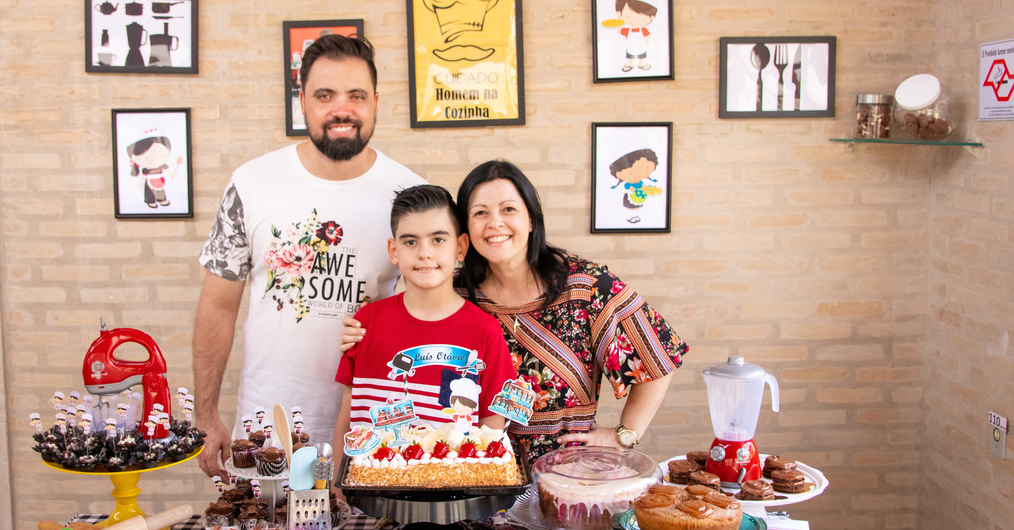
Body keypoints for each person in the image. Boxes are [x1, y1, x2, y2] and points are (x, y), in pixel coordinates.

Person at [343, 159, 687, 462]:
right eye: (480, 213)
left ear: (531, 219)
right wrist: (360, 334)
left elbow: (657, 354)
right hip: (479, 476)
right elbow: (407, 332)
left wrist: (624, 433)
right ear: (465, 232)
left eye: (508, 209)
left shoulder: (585, 287)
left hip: (566, 474)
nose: (495, 223)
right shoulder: (456, 292)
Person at [193, 34, 424, 480]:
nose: (342, 109)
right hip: (266, 435)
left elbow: (426, 312)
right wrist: (206, 414)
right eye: (324, 95)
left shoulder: (410, 196)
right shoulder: (252, 183)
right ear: (302, 102)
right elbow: (218, 306)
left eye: (356, 95)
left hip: (373, 435)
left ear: (376, 102)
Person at [333, 185, 515, 460]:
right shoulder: (366, 323)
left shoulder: (485, 331)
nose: (424, 253)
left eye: (438, 239)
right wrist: (335, 483)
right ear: (393, 250)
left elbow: (492, 431)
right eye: (410, 242)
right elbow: (347, 416)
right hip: (366, 485)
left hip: (455, 486)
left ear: (461, 247)